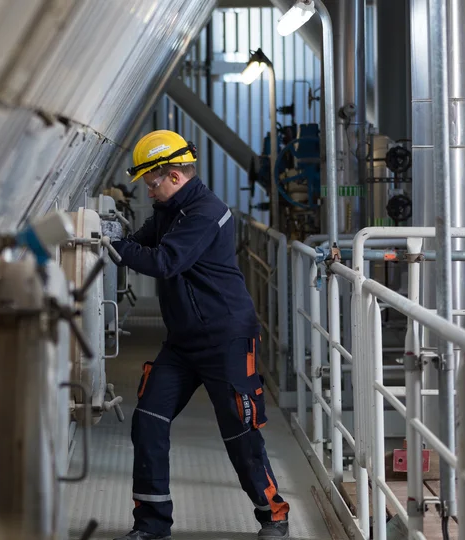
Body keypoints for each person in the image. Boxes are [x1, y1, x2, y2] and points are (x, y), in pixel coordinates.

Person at [109, 131, 290, 540]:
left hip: (226, 337)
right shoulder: (169, 211)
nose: (149, 191)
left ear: (173, 175)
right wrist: (113, 244)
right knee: (148, 421)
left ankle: (273, 514)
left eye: (152, 183)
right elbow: (138, 244)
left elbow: (165, 261)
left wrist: (111, 245)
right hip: (183, 342)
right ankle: (152, 525)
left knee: (240, 430)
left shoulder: (206, 212)